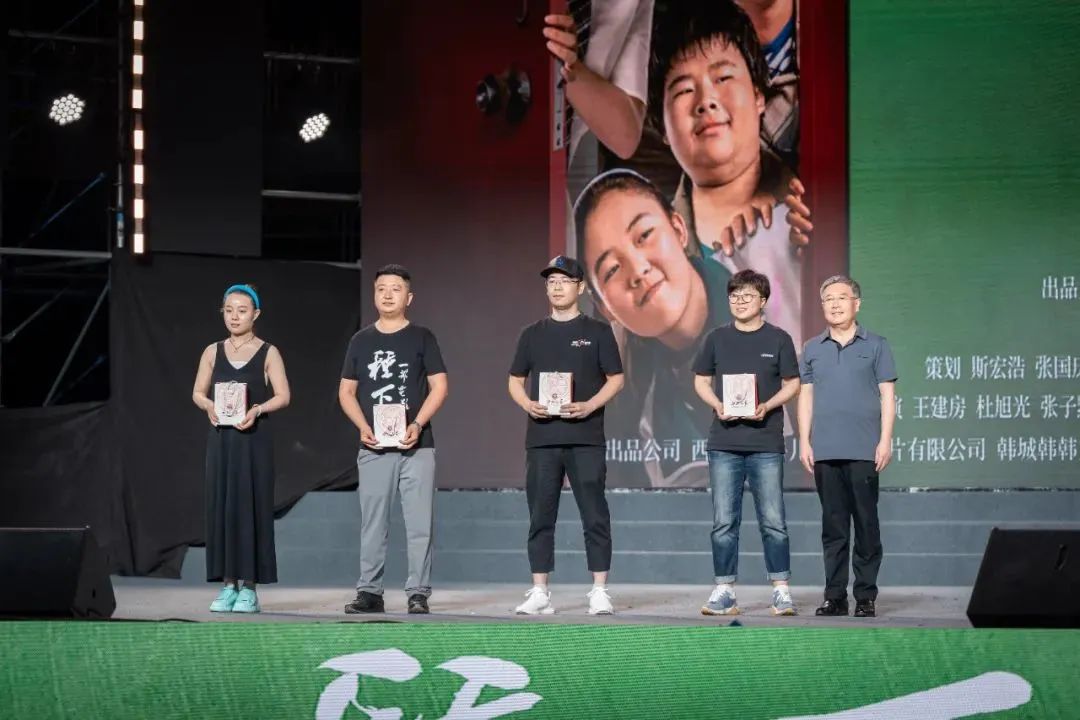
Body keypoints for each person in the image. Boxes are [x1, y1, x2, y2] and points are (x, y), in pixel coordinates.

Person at [649, 0, 803, 349]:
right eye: (684, 90)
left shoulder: (815, 212)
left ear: (759, 95)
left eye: (723, 78)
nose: (706, 100)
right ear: (662, 128)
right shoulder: (655, 265)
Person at [575, 168, 730, 487]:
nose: (637, 270)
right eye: (612, 270)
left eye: (644, 236)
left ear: (679, 229)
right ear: (605, 308)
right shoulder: (624, 397)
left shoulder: (774, 296)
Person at [508, 255, 625, 615]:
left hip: (585, 438)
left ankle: (600, 590)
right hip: (542, 439)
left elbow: (616, 379)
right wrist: (527, 404)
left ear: (581, 287)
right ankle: (540, 591)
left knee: (595, 515)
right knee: (540, 516)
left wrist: (590, 405)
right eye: (551, 282)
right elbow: (514, 381)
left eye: (564, 281)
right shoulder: (532, 334)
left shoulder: (598, 331)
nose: (556, 287)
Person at [339, 265, 449, 615]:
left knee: (419, 523)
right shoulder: (361, 341)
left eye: (396, 288)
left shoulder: (422, 337)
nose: (388, 294)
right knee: (373, 523)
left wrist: (417, 423)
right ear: (375, 295)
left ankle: (418, 592)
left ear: (409, 297)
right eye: (381, 288)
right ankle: (370, 592)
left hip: (417, 445)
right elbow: (346, 391)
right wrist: (362, 426)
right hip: (373, 446)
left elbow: (440, 386)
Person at [692, 269, 800, 616]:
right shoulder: (716, 338)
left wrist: (768, 405)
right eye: (734, 296)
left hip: (766, 443)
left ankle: (781, 591)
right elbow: (701, 381)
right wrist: (717, 404)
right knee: (724, 522)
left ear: (763, 300)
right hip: (724, 443)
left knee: (773, 521)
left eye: (748, 295)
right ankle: (725, 590)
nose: (740, 302)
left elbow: (793, 383)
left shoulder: (779, 339)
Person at [797, 275, 897, 618]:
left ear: (857, 303)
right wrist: (804, 440)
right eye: (828, 299)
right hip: (825, 451)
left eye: (842, 297)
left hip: (865, 450)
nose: (835, 304)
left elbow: (887, 396)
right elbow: (806, 396)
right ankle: (835, 597)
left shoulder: (877, 344)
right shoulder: (812, 348)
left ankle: (865, 596)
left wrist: (885, 440)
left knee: (867, 525)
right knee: (834, 528)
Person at [191, 284, 291, 613]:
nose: (235, 316)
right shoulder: (212, 351)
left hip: (253, 441)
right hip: (221, 441)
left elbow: (283, 396)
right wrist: (208, 405)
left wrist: (258, 410)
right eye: (229, 310)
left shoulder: (268, 352)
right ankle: (227, 585)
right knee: (222, 508)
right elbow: (197, 392)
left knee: (251, 508)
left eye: (242, 310)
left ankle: (249, 587)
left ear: (255, 314)